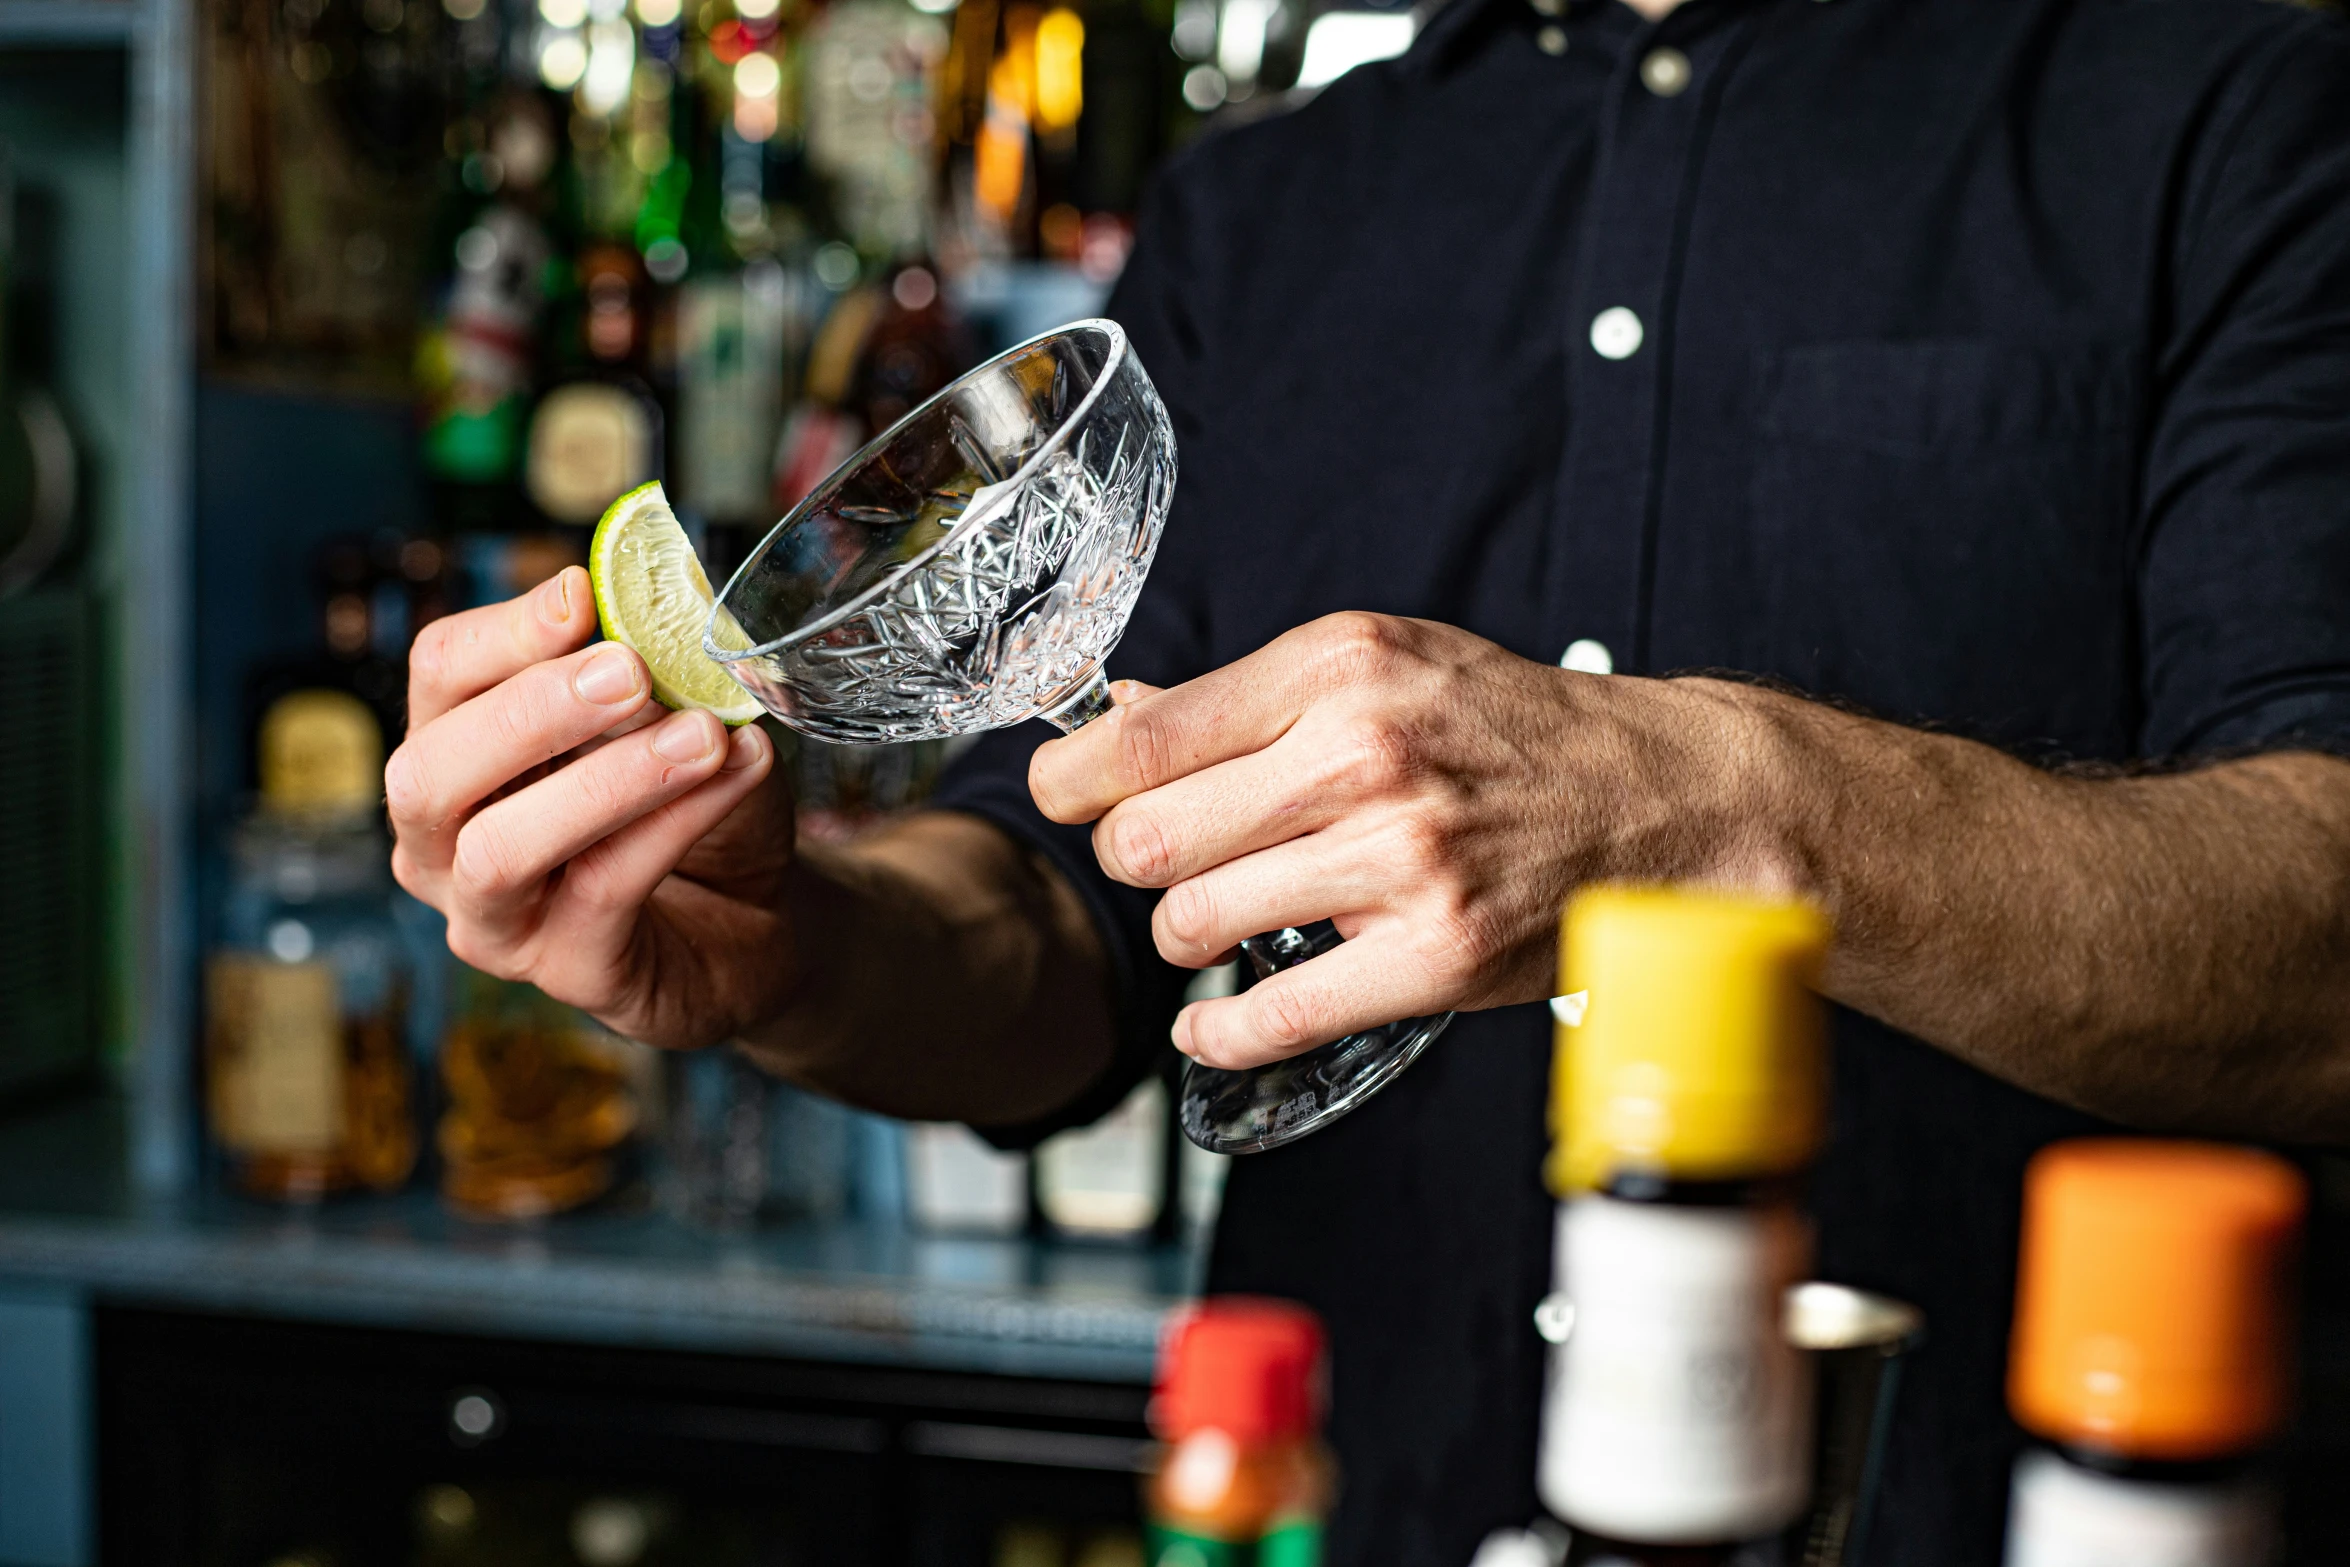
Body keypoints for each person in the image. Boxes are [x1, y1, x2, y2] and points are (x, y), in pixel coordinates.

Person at [385, 0, 2350, 1558]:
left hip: (2008, 1510)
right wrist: (793, 951)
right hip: (1361, 1500)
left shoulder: (2232, 110)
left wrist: (1729, 802)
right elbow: (1060, 917)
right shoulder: (1271, 206)